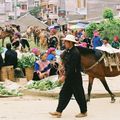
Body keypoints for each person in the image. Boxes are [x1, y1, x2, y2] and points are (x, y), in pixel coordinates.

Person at [49, 34, 87, 118]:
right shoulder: (68, 50)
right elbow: (63, 57)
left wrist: (64, 76)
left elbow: (72, 67)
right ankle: (59, 111)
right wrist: (61, 65)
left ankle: (84, 112)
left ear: (70, 43)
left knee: (79, 95)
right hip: (70, 76)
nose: (64, 43)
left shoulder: (75, 52)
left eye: (65, 41)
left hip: (75, 76)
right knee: (64, 93)